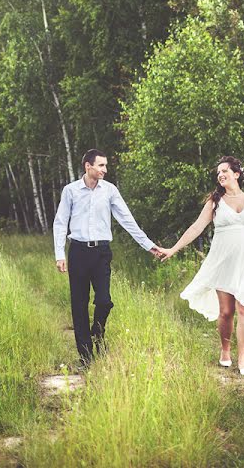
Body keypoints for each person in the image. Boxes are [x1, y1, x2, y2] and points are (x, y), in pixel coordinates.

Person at [156, 156, 244, 376]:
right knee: (227, 311)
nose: (220, 175)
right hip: (224, 260)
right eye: (218, 172)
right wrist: (173, 249)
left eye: (224, 171)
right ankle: (225, 350)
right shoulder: (215, 202)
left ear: (237, 174)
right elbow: (196, 228)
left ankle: (243, 359)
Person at [53, 149, 163, 369]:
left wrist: (149, 246)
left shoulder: (110, 190)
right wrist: (59, 254)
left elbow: (127, 220)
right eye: (101, 165)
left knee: (104, 300)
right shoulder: (71, 191)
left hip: (101, 253)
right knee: (79, 305)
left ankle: (98, 331)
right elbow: (60, 222)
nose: (105, 169)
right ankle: (86, 358)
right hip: (78, 252)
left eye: (105, 165)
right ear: (88, 166)